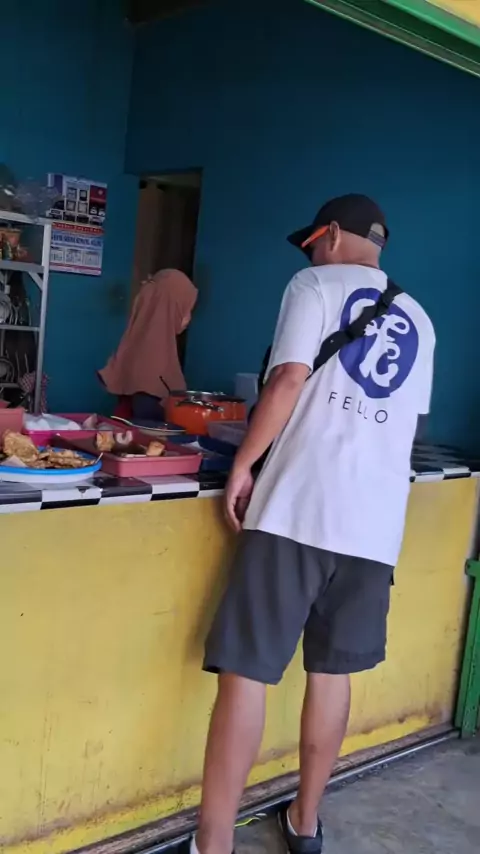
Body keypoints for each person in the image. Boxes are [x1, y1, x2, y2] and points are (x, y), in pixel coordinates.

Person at [193, 195, 435, 854]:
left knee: (247, 672)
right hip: (375, 526)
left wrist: (245, 464)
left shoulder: (314, 285)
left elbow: (287, 380)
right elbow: (408, 427)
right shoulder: (420, 317)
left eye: (311, 245)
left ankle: (213, 842)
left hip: (298, 509)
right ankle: (305, 824)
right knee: (332, 674)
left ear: (328, 235)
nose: (309, 256)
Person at [98, 269, 197, 420]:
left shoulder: (134, 350)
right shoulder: (156, 369)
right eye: (186, 309)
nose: (189, 317)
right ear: (171, 308)